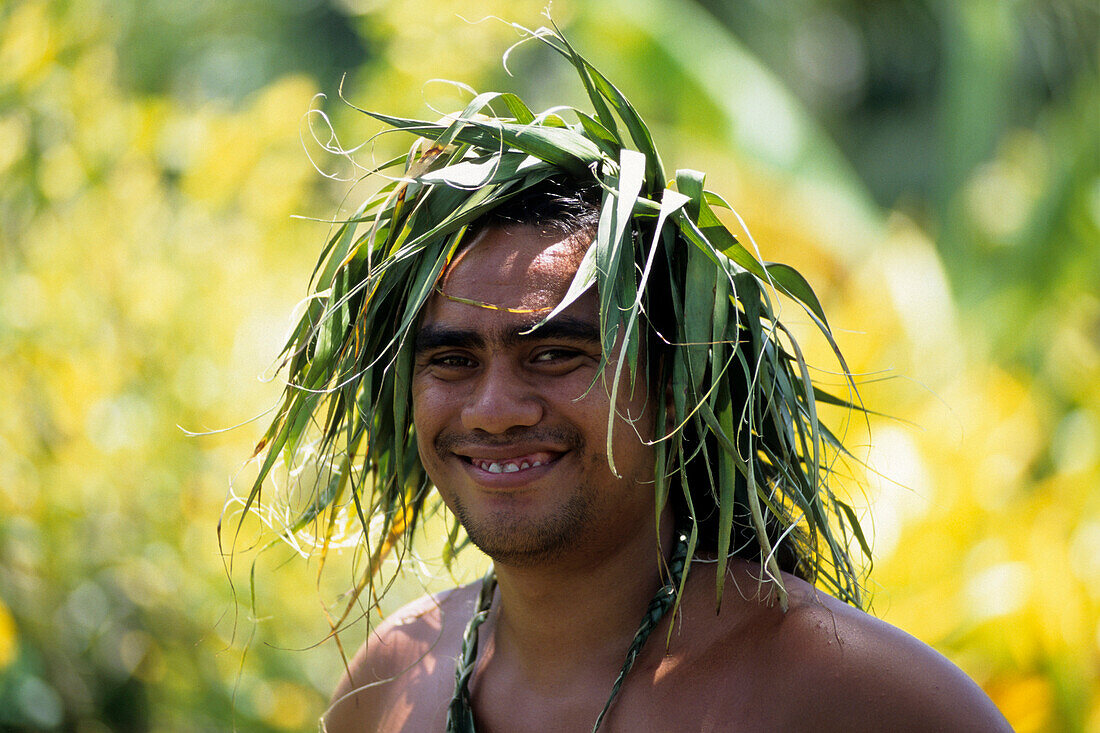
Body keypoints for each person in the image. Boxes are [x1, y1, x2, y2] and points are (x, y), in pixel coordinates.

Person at [244, 23, 1011, 732]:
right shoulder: (393, 682)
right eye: (452, 359)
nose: (496, 409)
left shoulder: (844, 691)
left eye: (555, 354)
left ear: (679, 384)